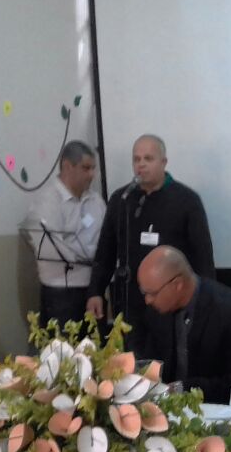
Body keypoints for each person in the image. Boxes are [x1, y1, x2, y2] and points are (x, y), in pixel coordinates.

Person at [86, 135, 214, 337]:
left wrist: (205, 304)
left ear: (163, 162)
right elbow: (105, 252)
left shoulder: (186, 200)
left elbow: (203, 258)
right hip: (130, 303)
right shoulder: (122, 199)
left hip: (171, 303)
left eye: (148, 158)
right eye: (136, 159)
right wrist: (95, 291)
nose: (141, 165)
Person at [134, 246, 231, 404]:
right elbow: (149, 362)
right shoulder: (156, 312)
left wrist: (184, 388)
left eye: (152, 293)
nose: (148, 300)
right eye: (144, 293)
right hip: (167, 408)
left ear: (177, 284)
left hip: (217, 408)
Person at [20, 141, 105, 324]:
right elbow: (55, 250)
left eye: (94, 169)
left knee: (96, 342)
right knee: (63, 343)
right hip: (61, 293)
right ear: (67, 167)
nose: (92, 174)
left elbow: (105, 241)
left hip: (93, 290)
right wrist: (91, 255)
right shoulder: (48, 201)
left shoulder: (96, 200)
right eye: (86, 168)